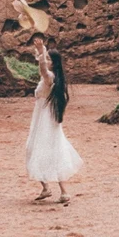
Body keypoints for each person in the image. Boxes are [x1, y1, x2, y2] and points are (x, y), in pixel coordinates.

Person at [25, 36, 83, 204]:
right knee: (37, 149)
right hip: (43, 117)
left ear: (54, 63)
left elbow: (43, 69)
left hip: (45, 119)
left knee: (44, 150)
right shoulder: (53, 78)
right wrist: (40, 51)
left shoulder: (50, 77)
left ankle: (62, 191)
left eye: (50, 59)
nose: (46, 61)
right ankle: (46, 188)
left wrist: (43, 52)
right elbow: (41, 67)